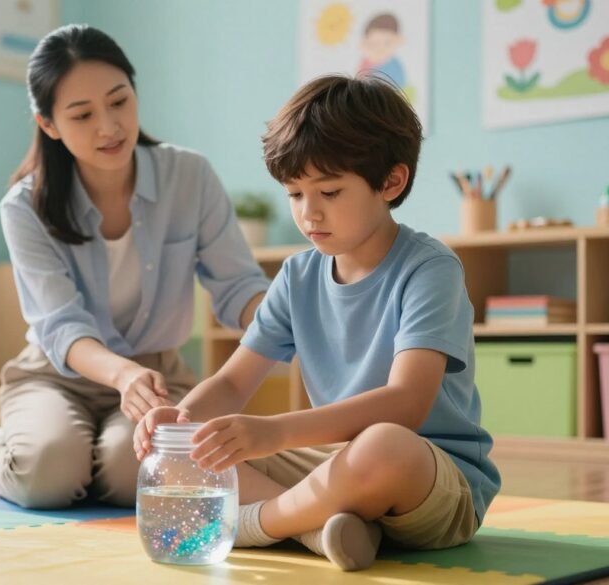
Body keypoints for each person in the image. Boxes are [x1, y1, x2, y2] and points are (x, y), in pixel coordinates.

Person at [134, 74, 501, 571]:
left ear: (391, 182)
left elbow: (407, 404)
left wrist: (271, 433)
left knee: (383, 445)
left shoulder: (429, 268)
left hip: (428, 480)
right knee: (198, 448)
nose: (309, 214)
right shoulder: (297, 274)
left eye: (329, 191)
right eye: (294, 194)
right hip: (334, 471)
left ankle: (252, 525)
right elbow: (232, 380)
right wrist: (180, 425)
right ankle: (318, 530)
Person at [0, 24, 268, 510]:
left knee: (131, 477)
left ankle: (76, 454)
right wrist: (121, 375)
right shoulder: (24, 206)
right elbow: (59, 325)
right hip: (55, 377)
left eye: (119, 102)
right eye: (82, 114)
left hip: (159, 376)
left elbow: (237, 286)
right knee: (47, 476)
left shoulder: (190, 176)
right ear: (49, 124)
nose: (109, 126)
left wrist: (282, 320)